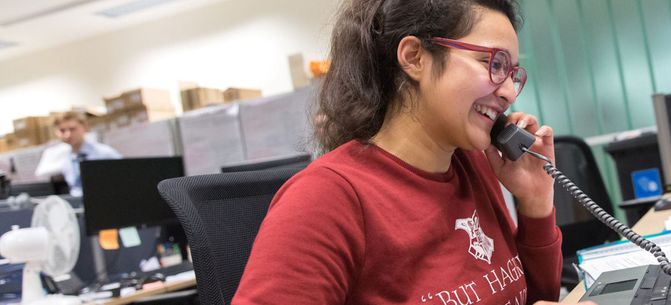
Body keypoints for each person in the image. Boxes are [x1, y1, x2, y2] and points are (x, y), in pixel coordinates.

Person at [234, 1, 582, 304]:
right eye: (493, 63)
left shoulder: (473, 164)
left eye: (512, 73)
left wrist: (536, 203)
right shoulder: (326, 199)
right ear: (414, 57)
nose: (508, 92)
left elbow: (539, 299)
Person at [53, 112, 121, 196]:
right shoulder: (66, 160)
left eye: (72, 129)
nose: (68, 135)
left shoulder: (105, 154)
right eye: (62, 131)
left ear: (85, 127)